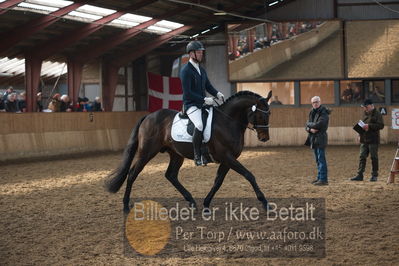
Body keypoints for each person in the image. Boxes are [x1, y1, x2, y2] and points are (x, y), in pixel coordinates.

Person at [180, 40, 224, 166]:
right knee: (199, 125)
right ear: (191, 54)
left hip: (203, 104)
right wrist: (204, 99)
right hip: (191, 105)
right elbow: (187, 93)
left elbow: (208, 86)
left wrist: (217, 93)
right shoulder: (185, 71)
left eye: (201, 52)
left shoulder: (201, 69)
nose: (201, 55)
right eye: (199, 52)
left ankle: (208, 153)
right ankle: (197, 156)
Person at [350, 99, 384, 182]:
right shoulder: (365, 113)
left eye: (366, 107)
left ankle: (374, 175)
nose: (364, 108)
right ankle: (360, 174)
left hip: (373, 139)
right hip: (364, 139)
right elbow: (362, 124)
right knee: (362, 157)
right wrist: (359, 133)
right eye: (364, 107)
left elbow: (381, 125)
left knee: (374, 157)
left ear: (371, 105)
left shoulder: (378, 114)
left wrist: (369, 126)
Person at [305, 96, 331, 186]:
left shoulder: (324, 113)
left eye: (316, 102)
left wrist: (309, 125)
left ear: (320, 102)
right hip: (314, 138)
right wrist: (310, 129)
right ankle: (320, 178)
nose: (315, 103)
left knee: (321, 159)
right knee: (317, 160)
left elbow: (319, 125)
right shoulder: (312, 112)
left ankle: (323, 179)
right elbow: (307, 125)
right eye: (313, 102)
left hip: (320, 138)